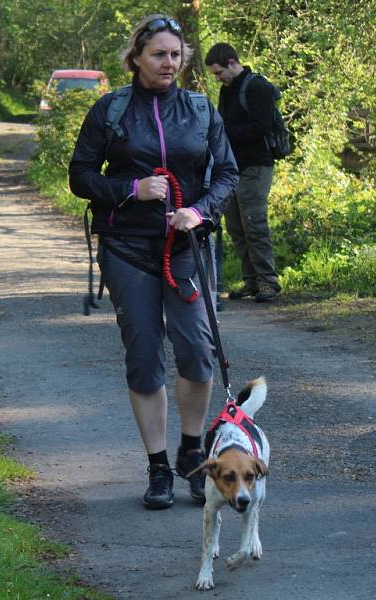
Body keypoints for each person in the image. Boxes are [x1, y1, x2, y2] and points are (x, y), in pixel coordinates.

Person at [68, 14, 239, 510]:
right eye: (160, 54)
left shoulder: (202, 110)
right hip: (127, 248)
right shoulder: (111, 110)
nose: (170, 63)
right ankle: (158, 467)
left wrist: (198, 211)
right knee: (143, 358)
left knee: (197, 353)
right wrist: (131, 189)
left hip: (187, 250)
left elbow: (226, 173)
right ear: (136, 59)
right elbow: (80, 176)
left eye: (176, 54)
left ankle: (191, 452)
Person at [205, 43, 281, 303]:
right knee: (235, 226)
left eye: (219, 73)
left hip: (257, 166)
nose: (218, 78)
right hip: (232, 169)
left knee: (254, 224)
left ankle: (268, 282)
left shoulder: (257, 87)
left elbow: (261, 126)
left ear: (232, 63)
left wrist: (226, 133)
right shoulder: (227, 91)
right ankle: (250, 281)